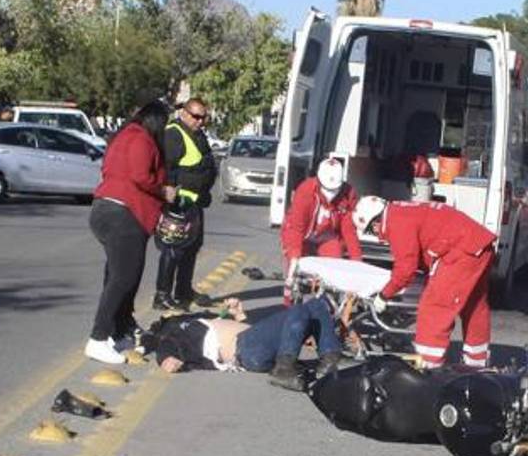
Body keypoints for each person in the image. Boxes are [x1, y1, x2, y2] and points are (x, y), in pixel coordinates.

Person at [353, 197, 496, 368]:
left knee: (434, 308)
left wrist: (384, 295)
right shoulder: (401, 211)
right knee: (473, 307)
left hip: (461, 251)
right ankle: (477, 364)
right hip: (477, 243)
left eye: (371, 230)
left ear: (375, 222)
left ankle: (429, 366)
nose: (375, 234)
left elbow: (405, 269)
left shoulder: (396, 222)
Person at [87, 100, 177, 365]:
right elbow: (140, 176)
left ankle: (118, 332)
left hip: (104, 209)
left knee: (117, 276)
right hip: (125, 214)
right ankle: (98, 338)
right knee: (123, 279)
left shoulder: (121, 137)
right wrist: (163, 191)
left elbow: (108, 170)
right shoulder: (142, 139)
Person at [146, 297, 343, 391]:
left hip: (254, 345)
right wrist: (166, 359)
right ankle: (283, 370)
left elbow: (257, 332)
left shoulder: (198, 321)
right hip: (245, 351)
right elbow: (165, 350)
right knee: (298, 310)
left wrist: (240, 314)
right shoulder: (175, 333)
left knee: (317, 305)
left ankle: (329, 360)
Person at [153, 98, 219, 311]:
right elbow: (167, 169)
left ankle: (183, 290)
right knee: (173, 249)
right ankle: (162, 294)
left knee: (192, 247)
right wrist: (170, 195)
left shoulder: (198, 134)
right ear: (184, 113)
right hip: (179, 203)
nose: (200, 121)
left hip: (195, 202)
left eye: (203, 117)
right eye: (196, 116)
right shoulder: (174, 133)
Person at [281, 157, 363, 304]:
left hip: (327, 235)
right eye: (327, 189)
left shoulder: (348, 194)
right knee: (293, 271)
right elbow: (296, 228)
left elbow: (349, 229)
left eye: (335, 189)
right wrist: (294, 258)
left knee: (334, 262)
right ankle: (289, 303)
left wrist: (356, 260)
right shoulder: (305, 191)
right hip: (302, 233)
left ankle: (329, 304)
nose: (330, 193)